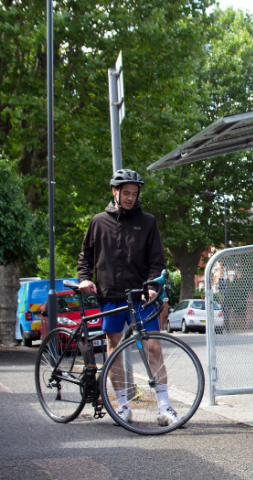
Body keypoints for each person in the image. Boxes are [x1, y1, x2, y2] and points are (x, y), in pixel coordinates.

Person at [77, 168, 179, 426]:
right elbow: (85, 257)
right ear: (115, 191)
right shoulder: (98, 221)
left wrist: (153, 286)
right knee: (114, 350)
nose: (130, 198)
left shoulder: (147, 222)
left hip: (141, 297)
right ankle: (122, 406)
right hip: (110, 294)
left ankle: (164, 408)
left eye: (134, 194)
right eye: (126, 193)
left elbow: (157, 261)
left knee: (153, 347)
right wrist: (85, 278)